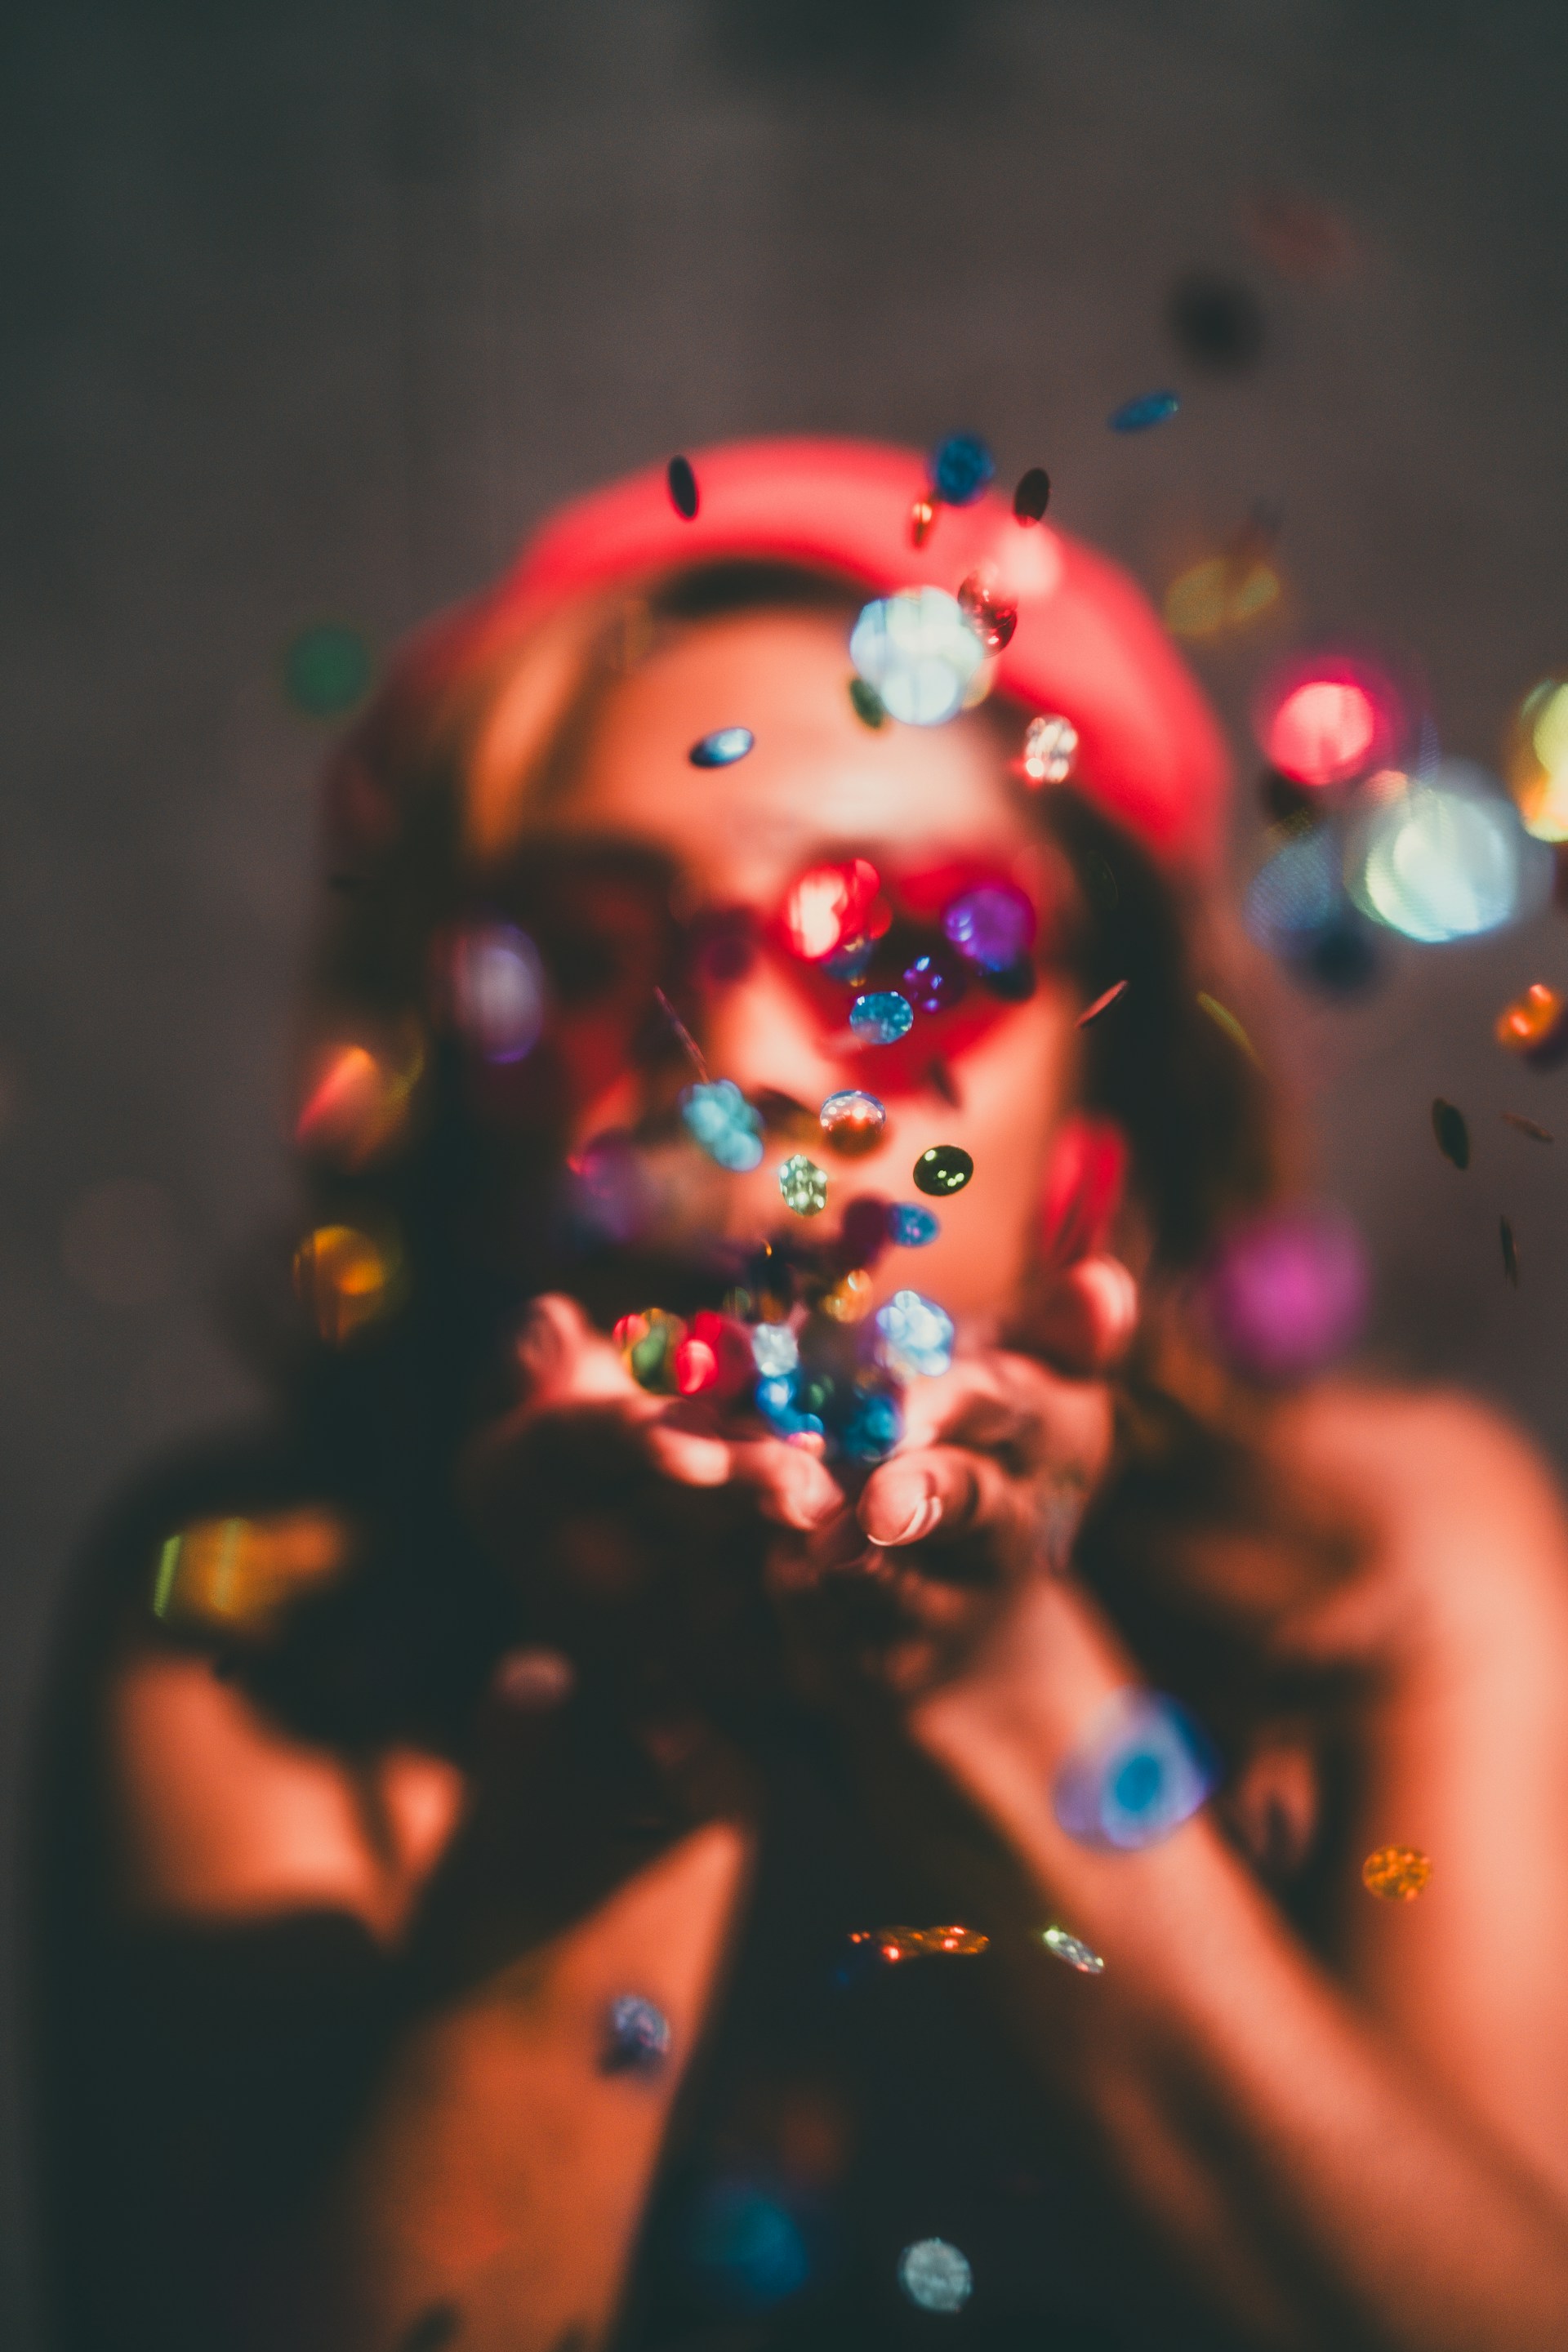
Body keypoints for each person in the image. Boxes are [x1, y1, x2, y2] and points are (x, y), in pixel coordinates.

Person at [29, 440, 1568, 2352]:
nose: (741, 1062)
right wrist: (626, 1731)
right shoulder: (258, 1616)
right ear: (460, 1069)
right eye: (593, 955)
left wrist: (1009, 1700)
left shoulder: (1387, 1559)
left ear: (1109, 1110)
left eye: (918, 952)